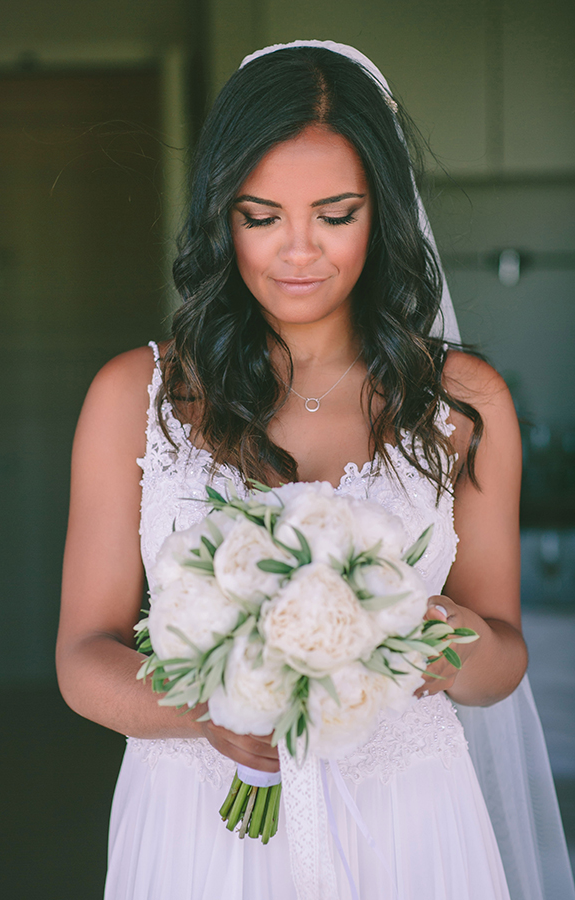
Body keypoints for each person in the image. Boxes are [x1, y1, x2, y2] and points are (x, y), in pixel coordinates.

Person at [56, 41, 575, 900]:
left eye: (335, 214)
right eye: (261, 216)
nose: (297, 251)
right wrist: (213, 709)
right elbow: (83, 657)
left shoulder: (462, 403)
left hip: (411, 824)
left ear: (385, 214)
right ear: (222, 215)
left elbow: (504, 655)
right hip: (200, 825)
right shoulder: (134, 396)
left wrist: (431, 638)